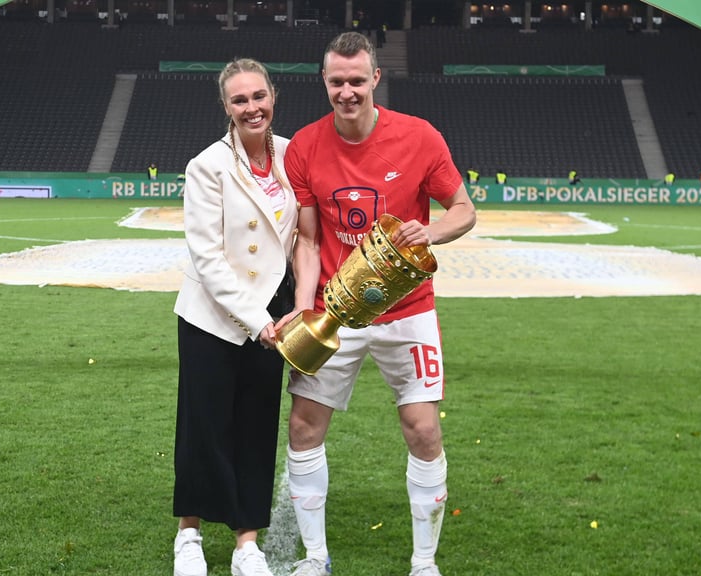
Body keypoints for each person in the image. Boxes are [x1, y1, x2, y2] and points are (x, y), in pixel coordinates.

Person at [278, 31, 476, 576]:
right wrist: (304, 307)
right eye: (337, 81)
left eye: (357, 81)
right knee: (304, 427)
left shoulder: (419, 137)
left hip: (408, 310)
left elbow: (464, 210)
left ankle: (424, 563)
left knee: (423, 429)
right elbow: (308, 240)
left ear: (375, 79)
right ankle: (315, 558)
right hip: (335, 312)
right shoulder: (304, 146)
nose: (347, 91)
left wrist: (429, 233)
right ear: (324, 81)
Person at [171, 58, 298, 576]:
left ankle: (247, 544)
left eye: (258, 96)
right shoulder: (207, 165)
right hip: (213, 316)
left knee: (256, 425)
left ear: (273, 96)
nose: (252, 108)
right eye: (239, 99)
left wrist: (289, 310)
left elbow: (301, 238)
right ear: (225, 106)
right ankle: (189, 535)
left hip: (275, 315)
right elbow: (208, 257)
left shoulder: (294, 154)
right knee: (203, 425)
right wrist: (256, 319)